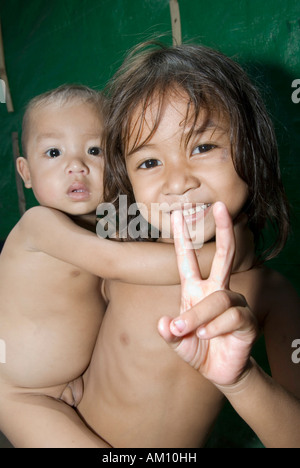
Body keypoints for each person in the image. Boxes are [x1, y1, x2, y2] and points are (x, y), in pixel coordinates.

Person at [0, 84, 251, 448]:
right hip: (20, 395)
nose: (76, 166)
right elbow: (116, 263)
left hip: (69, 385)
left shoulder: (113, 219)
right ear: (25, 171)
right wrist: (224, 253)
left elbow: (165, 228)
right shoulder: (39, 224)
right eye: (53, 152)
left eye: (94, 150)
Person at [77, 42, 300, 448]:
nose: (177, 181)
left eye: (203, 147)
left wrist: (242, 380)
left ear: (251, 147)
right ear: (126, 180)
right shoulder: (114, 258)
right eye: (149, 162)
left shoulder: (272, 294)